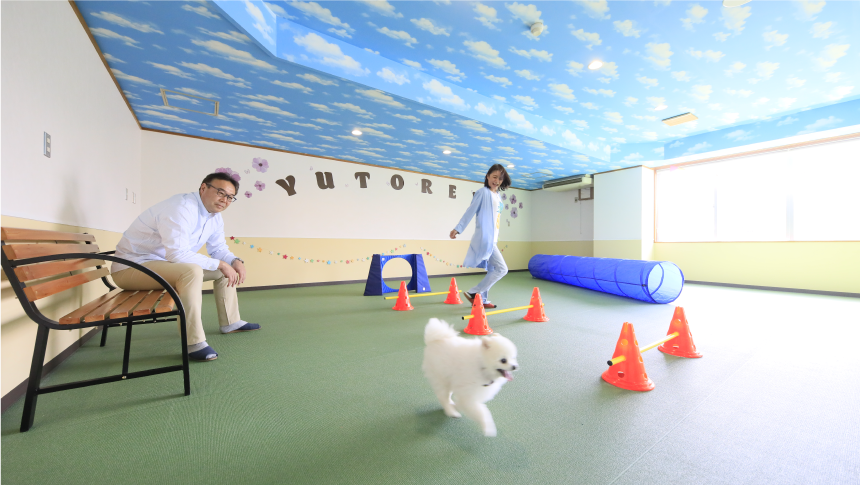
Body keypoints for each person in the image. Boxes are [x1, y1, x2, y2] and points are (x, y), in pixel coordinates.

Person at [110, 172, 261, 362]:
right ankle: (194, 343)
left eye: (230, 197)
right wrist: (221, 264)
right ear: (203, 188)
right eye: (220, 192)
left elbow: (219, 249)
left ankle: (231, 322)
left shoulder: (214, 217)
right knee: (192, 271)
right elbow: (176, 254)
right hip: (131, 269)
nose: (225, 200)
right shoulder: (180, 208)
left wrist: (235, 261)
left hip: (163, 266)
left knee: (222, 271)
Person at [449, 164, 510, 309]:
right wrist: (458, 228)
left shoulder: (497, 195)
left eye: (500, 178)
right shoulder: (482, 192)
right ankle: (474, 292)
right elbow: (470, 211)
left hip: (492, 238)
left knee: (493, 269)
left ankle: (482, 299)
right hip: (485, 238)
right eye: (494, 177)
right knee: (502, 269)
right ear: (487, 177)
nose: (497, 181)